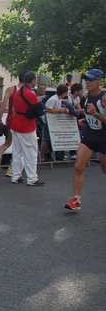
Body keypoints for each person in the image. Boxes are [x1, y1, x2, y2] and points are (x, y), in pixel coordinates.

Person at [64, 69, 106, 211]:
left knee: (104, 169)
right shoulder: (87, 96)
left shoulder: (104, 98)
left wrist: (96, 114)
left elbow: (97, 115)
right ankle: (76, 200)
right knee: (78, 166)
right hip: (90, 136)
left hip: (104, 138)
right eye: (86, 79)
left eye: (91, 79)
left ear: (100, 81)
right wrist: (86, 121)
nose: (87, 82)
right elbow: (90, 114)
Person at [10, 71, 45, 186]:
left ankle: (15, 175)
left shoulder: (18, 92)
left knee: (17, 151)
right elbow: (37, 109)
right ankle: (32, 178)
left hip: (16, 123)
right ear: (33, 80)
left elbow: (15, 108)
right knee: (30, 152)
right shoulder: (31, 94)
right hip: (26, 125)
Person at [0, 70, 28, 172]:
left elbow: (3, 104)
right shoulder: (26, 91)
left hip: (10, 119)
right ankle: (11, 168)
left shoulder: (11, 89)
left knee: (7, 142)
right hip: (20, 120)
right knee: (18, 147)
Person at [40, 84, 69, 162]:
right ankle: (42, 157)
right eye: (66, 92)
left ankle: (47, 156)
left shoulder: (58, 99)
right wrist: (58, 110)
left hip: (53, 121)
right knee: (46, 139)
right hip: (48, 121)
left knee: (49, 139)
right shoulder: (54, 99)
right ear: (63, 92)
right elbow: (47, 109)